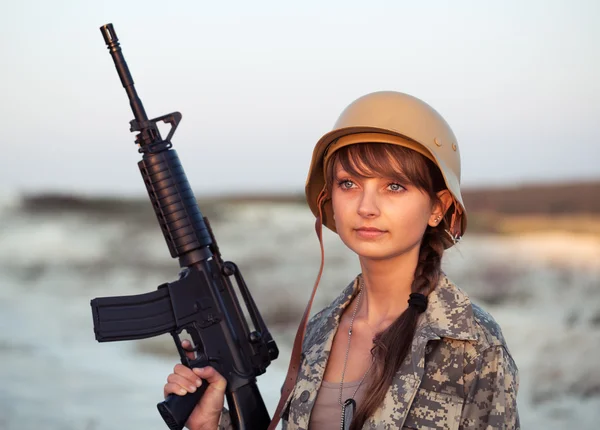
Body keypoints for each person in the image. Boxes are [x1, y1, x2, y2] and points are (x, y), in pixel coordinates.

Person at [162, 91, 520, 429]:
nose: (366, 207)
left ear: (438, 209)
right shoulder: (321, 331)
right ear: (328, 198)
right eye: (349, 183)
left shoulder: (472, 344)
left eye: (394, 186)